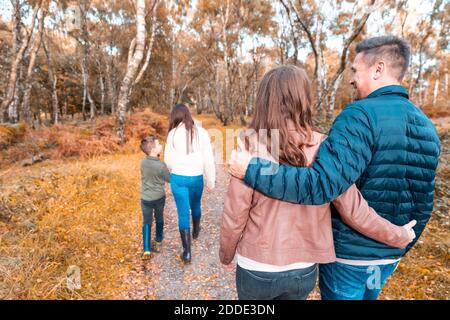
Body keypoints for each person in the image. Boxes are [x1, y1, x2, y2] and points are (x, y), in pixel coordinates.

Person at [228, 36, 441, 300]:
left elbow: (321, 186)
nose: (351, 79)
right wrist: (401, 239)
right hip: (386, 259)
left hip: (347, 258)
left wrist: (252, 169)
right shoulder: (428, 127)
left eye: (355, 70)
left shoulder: (359, 116)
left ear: (378, 69)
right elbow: (424, 202)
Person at [164, 104, 216, 263]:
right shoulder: (202, 133)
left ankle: (187, 252)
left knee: (182, 213)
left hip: (178, 178)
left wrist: (175, 171)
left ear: (175, 117)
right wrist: (211, 179)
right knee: (196, 205)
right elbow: (208, 158)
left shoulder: (172, 134)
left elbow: (168, 161)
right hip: (196, 177)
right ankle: (196, 231)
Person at [140, 136, 170, 260]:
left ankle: (146, 249)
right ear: (153, 150)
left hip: (145, 198)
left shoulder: (143, 162)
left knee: (146, 222)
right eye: (158, 145)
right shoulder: (161, 165)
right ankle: (158, 241)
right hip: (158, 197)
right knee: (159, 219)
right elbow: (169, 178)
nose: (161, 146)